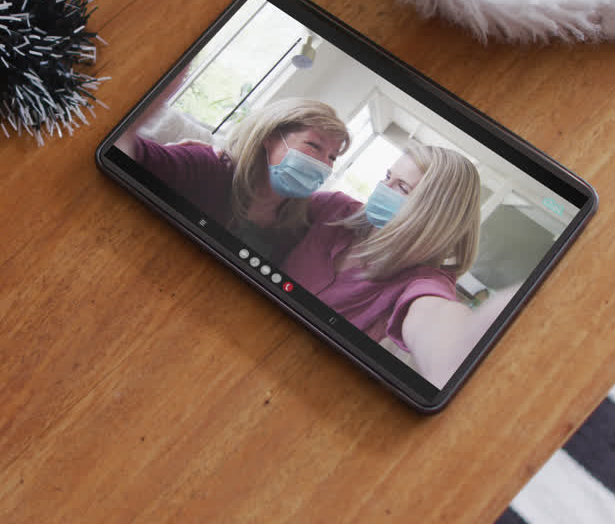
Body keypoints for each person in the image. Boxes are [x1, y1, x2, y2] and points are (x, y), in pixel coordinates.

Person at [282, 144, 483, 387]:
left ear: (434, 215)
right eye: (388, 176)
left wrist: (453, 348)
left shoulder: (423, 282)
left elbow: (434, 318)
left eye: (402, 187)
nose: (382, 188)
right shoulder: (335, 209)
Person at [116, 98, 350, 264]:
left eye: (332, 157)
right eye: (314, 145)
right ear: (270, 137)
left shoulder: (295, 228)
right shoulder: (207, 167)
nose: (323, 163)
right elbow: (129, 154)